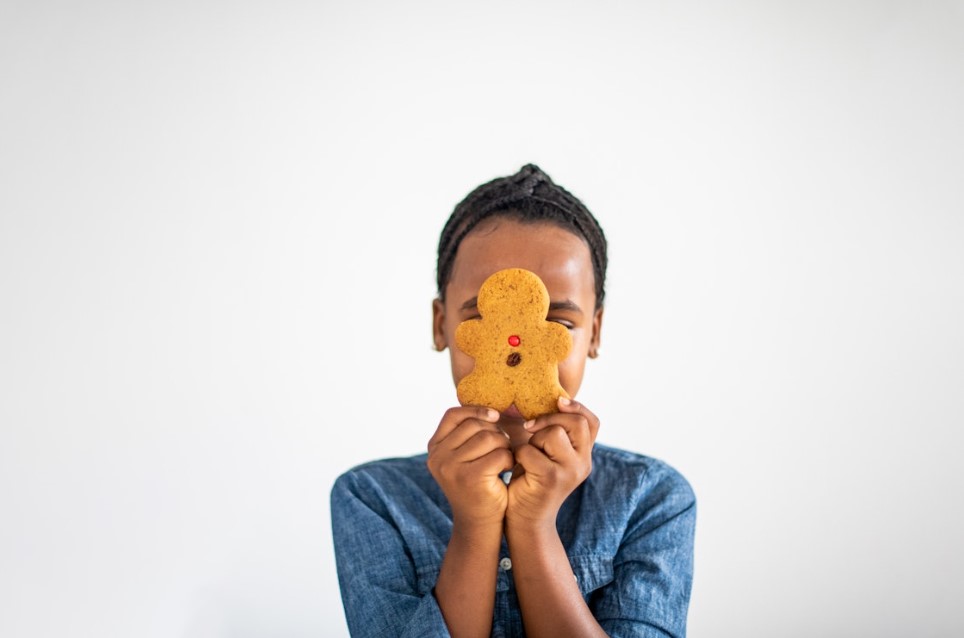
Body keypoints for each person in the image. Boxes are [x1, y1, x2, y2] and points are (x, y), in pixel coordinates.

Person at [331, 164, 696, 637]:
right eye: (484, 319)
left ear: (594, 332)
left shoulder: (652, 498)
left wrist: (534, 524)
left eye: (558, 323)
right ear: (441, 325)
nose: (515, 347)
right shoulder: (372, 498)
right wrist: (475, 524)